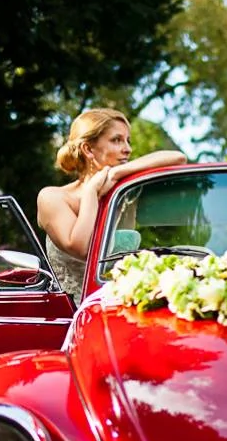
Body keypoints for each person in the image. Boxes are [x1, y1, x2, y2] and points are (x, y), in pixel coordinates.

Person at [38, 108, 186, 303]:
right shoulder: (52, 197)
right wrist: (91, 192)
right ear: (88, 149)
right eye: (117, 140)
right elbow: (82, 248)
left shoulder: (123, 193)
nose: (128, 149)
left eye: (128, 141)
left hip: (125, 304)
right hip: (76, 311)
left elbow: (178, 158)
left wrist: (117, 173)